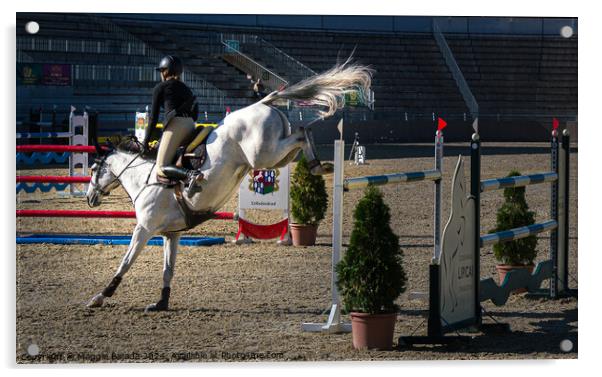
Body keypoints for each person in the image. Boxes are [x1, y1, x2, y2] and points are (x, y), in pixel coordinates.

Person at [142, 55, 202, 192]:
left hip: (176, 124)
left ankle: (190, 176)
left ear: (165, 71)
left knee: (161, 166)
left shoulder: (160, 87)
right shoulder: (186, 88)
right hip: (190, 125)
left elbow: (153, 118)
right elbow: (195, 112)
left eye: (162, 71)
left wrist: (145, 142)